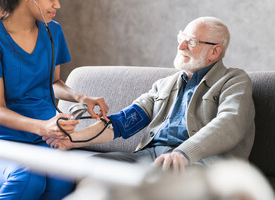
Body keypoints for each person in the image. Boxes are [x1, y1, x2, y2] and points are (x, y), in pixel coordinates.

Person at [0, 0, 109, 199]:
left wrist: (82, 97)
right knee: (28, 176)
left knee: (61, 179)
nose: (58, 5)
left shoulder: (53, 31)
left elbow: (53, 83)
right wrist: (44, 125)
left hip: (43, 138)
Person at [45, 16, 255, 173]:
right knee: (95, 167)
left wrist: (184, 152)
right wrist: (73, 139)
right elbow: (123, 122)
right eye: (181, 38)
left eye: (191, 42)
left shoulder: (234, 80)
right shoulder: (164, 85)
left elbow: (230, 122)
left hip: (203, 163)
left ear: (214, 52)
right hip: (151, 156)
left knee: (163, 182)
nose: (181, 46)